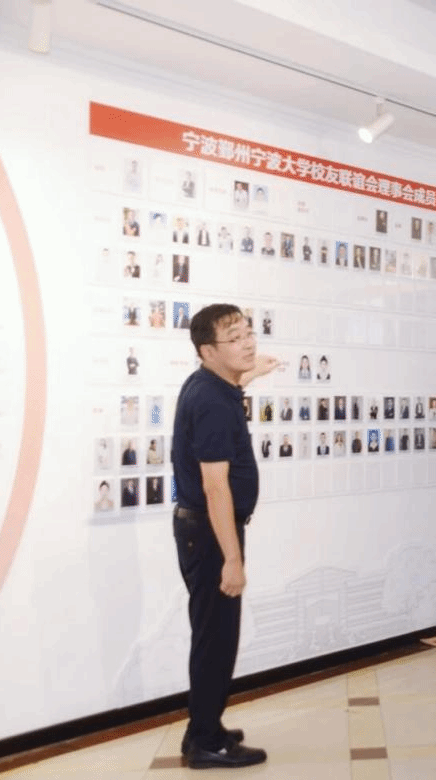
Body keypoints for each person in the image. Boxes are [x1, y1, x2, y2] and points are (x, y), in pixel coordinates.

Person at [171, 303, 276, 769]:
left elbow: (233, 385)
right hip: (213, 533)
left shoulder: (213, 385)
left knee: (213, 634)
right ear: (207, 350)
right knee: (216, 639)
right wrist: (232, 560)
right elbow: (216, 488)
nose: (248, 343)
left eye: (249, 333)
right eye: (235, 339)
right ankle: (205, 742)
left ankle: (204, 727)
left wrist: (253, 374)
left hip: (206, 531)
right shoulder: (212, 401)